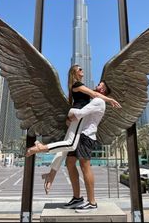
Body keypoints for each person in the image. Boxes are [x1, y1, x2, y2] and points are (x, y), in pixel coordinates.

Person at [26, 65, 121, 211]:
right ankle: (76, 197)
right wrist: (110, 100)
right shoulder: (81, 87)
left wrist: (72, 116)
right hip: (80, 131)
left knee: (80, 162)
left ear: (102, 90)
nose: (96, 85)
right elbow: (87, 103)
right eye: (80, 69)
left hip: (85, 135)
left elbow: (82, 111)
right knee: (70, 161)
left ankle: (91, 202)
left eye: (100, 85)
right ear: (75, 73)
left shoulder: (97, 100)